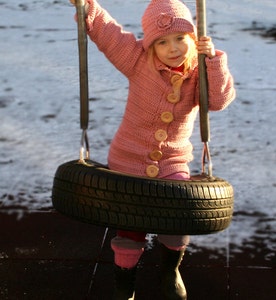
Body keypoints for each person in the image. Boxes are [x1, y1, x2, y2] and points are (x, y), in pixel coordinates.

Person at [70, 0, 236, 299]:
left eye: (180, 39)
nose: (173, 48)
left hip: (173, 162)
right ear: (151, 45)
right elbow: (109, 34)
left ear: (193, 38)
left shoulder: (199, 72)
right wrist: (88, 7)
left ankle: (170, 269)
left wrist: (213, 61)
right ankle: (125, 282)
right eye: (162, 42)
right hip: (127, 159)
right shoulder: (137, 60)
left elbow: (219, 101)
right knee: (130, 229)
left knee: (177, 219)